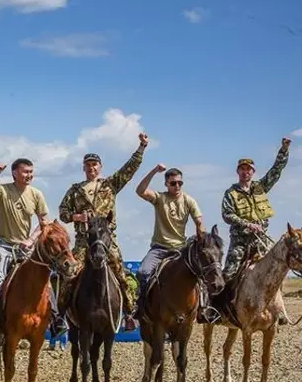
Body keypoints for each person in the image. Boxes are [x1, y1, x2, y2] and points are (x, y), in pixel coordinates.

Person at [58, 133, 150, 331]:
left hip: (107, 240)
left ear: (100, 167)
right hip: (84, 241)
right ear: (84, 168)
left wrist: (141, 148)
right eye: (88, 165)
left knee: (119, 270)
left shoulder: (110, 185)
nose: (91, 168)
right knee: (70, 273)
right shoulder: (75, 190)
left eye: (95, 165)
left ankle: (128, 313)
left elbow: (129, 169)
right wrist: (75, 217)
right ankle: (61, 316)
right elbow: (62, 212)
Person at [207, 137, 292, 323]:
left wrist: (284, 150)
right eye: (242, 169)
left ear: (253, 172)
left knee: (277, 268)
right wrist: (247, 224)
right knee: (228, 272)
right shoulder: (231, 193)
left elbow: (276, 171)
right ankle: (214, 309)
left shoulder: (260, 187)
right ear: (238, 171)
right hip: (241, 242)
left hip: (261, 240)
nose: (246, 172)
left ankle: (280, 311)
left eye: (249, 169)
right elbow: (227, 215)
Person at [0, 159, 51, 343]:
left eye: (31, 172)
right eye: (25, 171)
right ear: (15, 173)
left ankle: (56, 320)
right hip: (1, 244)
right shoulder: (3, 189)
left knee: (45, 280)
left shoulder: (36, 194)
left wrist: (31, 240)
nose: (29, 175)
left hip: (24, 246)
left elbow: (44, 222)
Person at [133, 164, 204, 320]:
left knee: (202, 271)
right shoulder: (160, 198)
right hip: (159, 249)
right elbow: (140, 191)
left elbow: (199, 221)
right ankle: (142, 307)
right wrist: (153, 171)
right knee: (142, 272)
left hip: (181, 249)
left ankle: (203, 308)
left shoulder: (189, 201)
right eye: (173, 183)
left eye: (180, 183)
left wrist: (200, 235)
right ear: (166, 184)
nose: (177, 186)